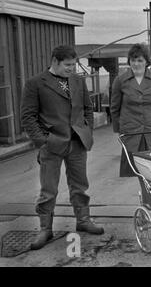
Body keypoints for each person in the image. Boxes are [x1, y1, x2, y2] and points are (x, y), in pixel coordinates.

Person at [21, 45, 104, 250]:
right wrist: (43, 141)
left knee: (80, 185)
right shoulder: (35, 84)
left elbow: (87, 108)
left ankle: (83, 220)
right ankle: (45, 229)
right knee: (48, 190)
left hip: (78, 142)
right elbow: (28, 117)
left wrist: (87, 130)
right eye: (67, 65)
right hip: (52, 144)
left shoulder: (78, 80)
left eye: (73, 65)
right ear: (55, 62)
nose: (71, 69)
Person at [110, 44, 151, 178]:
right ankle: (147, 196)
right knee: (138, 171)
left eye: (140, 60)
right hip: (131, 132)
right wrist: (119, 131)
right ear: (129, 61)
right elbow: (114, 108)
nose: (136, 63)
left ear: (147, 62)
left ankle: (149, 197)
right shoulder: (120, 81)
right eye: (133, 60)